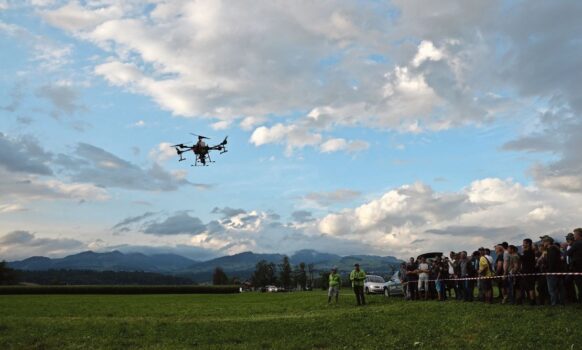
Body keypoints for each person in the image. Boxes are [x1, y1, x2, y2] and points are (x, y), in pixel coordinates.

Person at [542, 235, 566, 306]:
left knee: (552, 289)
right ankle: (561, 303)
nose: (543, 243)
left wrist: (549, 271)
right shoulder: (555, 248)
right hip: (558, 271)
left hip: (552, 272)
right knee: (560, 288)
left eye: (544, 242)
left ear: (548, 242)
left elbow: (551, 261)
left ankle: (555, 303)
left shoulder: (551, 249)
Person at [566, 228, 582, 303]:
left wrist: (569, 246)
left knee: (579, 285)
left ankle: (580, 300)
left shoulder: (577, 243)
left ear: (579, 235)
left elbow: (568, 253)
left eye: (575, 234)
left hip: (577, 267)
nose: (574, 236)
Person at [521, 238, 537, 305]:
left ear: (528, 244)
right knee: (530, 286)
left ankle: (532, 301)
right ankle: (531, 299)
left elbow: (524, 259)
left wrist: (520, 255)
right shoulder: (530, 251)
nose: (523, 245)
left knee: (530, 287)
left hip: (528, 271)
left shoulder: (528, 252)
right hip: (529, 270)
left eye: (524, 243)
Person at [563, 233, 577, 303]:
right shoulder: (567, 247)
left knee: (577, 283)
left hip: (575, 267)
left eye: (569, 239)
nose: (567, 240)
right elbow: (565, 256)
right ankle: (572, 298)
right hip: (568, 267)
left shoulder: (575, 246)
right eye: (567, 239)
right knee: (568, 283)